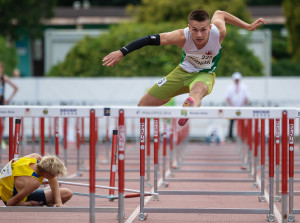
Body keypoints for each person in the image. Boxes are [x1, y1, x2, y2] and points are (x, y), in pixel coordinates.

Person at [102, 9, 265, 126]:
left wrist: (248, 26)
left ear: (209, 28)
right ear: (189, 28)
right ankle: (167, 98)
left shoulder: (218, 32)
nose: (199, 35)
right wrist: (122, 52)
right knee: (143, 106)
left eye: (203, 30)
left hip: (205, 74)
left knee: (197, 91)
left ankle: (189, 108)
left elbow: (221, 13)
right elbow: (148, 40)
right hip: (182, 72)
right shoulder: (181, 36)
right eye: (194, 30)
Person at [0, 153, 72, 206]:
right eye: (55, 175)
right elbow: (10, 203)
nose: (55, 177)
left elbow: (52, 179)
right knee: (67, 193)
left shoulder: (35, 157)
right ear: (47, 174)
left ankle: (53, 202)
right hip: (10, 197)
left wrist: (58, 201)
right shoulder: (34, 182)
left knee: (61, 195)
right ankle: (31, 203)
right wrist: (27, 203)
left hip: (3, 184)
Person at [225, 72, 249, 141]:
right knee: (231, 123)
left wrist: (243, 105)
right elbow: (227, 97)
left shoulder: (244, 87)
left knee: (242, 123)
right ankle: (230, 137)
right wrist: (231, 106)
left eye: (238, 79)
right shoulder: (230, 87)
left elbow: (246, 97)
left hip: (241, 108)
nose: (237, 80)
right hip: (232, 108)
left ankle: (242, 136)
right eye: (236, 79)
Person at [0, 62, 19, 149]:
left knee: (2, 123)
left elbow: (16, 88)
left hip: (2, 103)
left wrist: (8, 99)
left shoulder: (5, 79)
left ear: (2, 69)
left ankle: (0, 140)